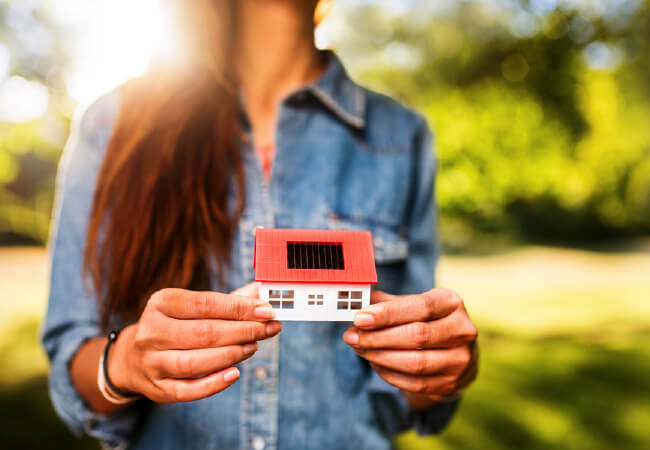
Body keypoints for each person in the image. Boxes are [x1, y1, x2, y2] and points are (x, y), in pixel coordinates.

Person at [41, 1, 478, 449]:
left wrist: (439, 366)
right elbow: (71, 359)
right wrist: (124, 363)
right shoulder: (114, 125)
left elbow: (406, 393)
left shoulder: (402, 136)